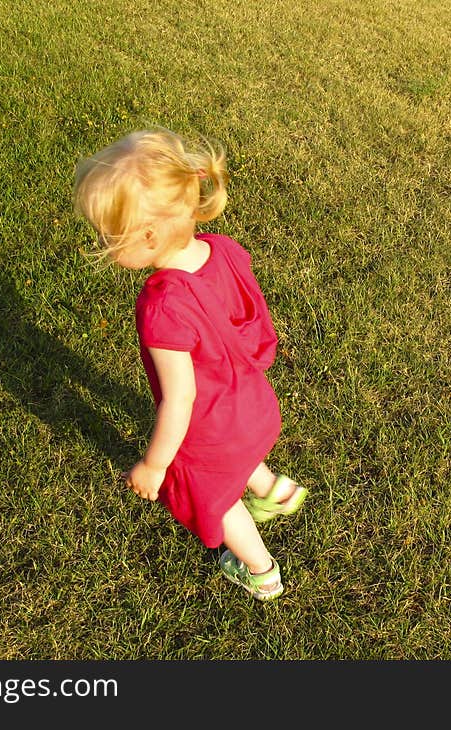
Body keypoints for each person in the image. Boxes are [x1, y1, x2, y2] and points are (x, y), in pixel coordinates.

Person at [72, 128, 307, 600]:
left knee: (214, 499)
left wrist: (155, 466)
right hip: (253, 405)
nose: (103, 243)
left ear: (149, 235)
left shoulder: (163, 305)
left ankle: (259, 570)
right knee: (236, 456)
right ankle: (275, 491)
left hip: (213, 429)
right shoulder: (223, 250)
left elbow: (181, 398)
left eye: (108, 235)